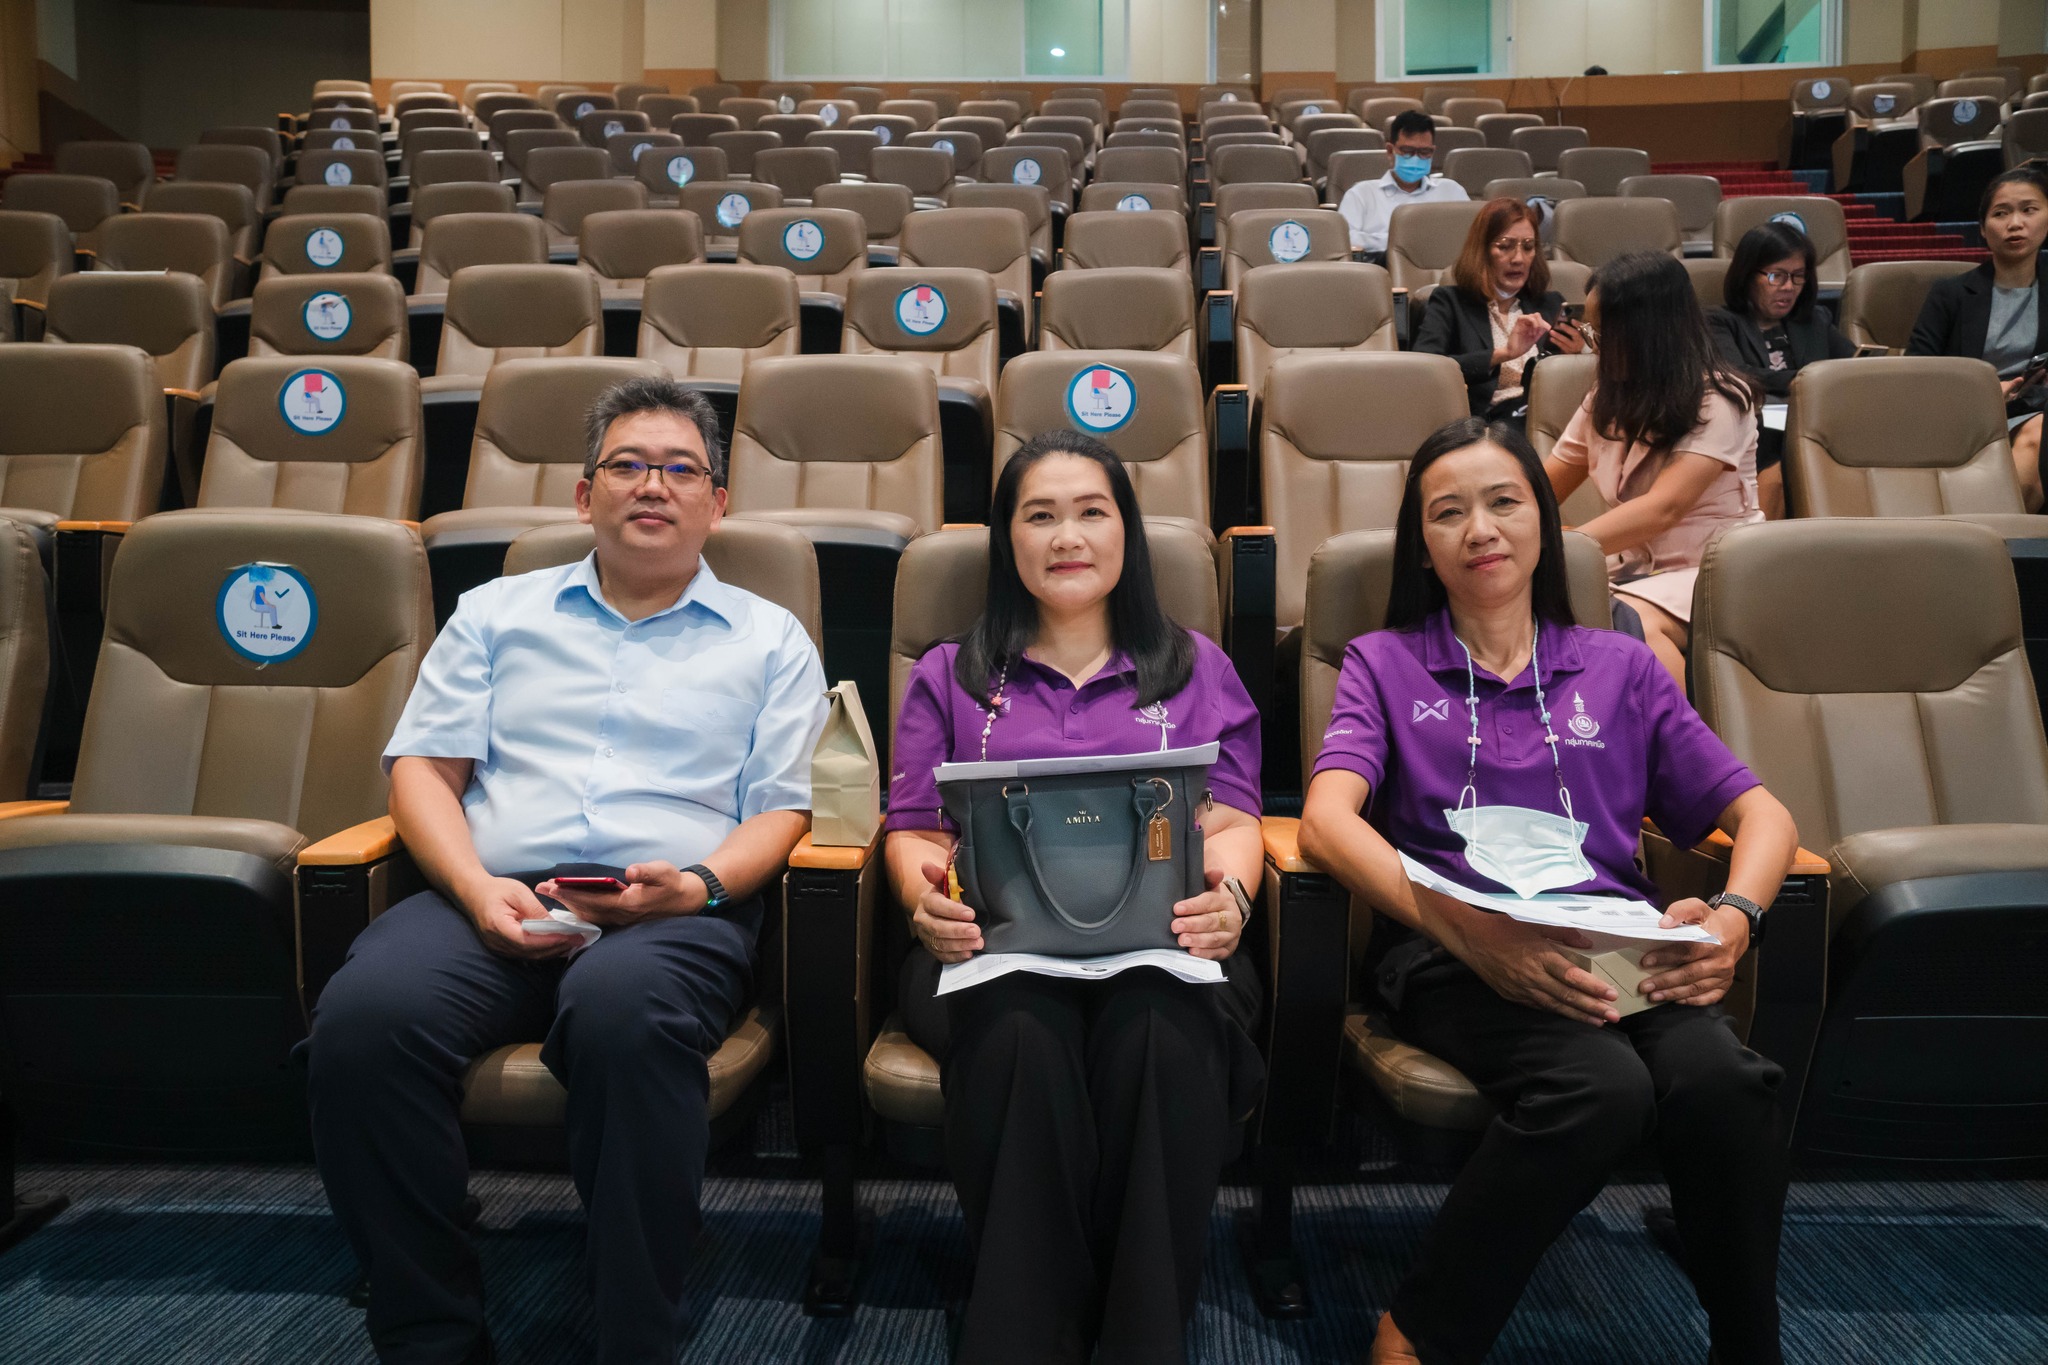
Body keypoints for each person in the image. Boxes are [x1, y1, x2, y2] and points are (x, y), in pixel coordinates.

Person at [305, 377, 828, 1365]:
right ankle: (430, 1330)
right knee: (363, 1024)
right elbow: (421, 770)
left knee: (623, 1017)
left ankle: (636, 1336)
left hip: (672, 910)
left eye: (681, 470)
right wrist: (470, 886)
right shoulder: (497, 613)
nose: (652, 487)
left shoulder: (770, 642)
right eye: (626, 466)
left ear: (718, 504)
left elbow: (784, 811)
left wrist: (701, 887)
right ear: (583, 496)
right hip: (489, 894)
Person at [1297, 416, 1800, 1365]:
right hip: (1455, 949)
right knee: (1598, 1088)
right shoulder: (1386, 662)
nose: (1479, 529)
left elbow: (1766, 818)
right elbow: (1326, 819)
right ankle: (1420, 1331)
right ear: (1425, 544)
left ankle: (1748, 1346)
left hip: (1616, 938)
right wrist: (1468, 930)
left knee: (1726, 1082)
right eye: (1449, 513)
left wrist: (1734, 918)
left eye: (1504, 502)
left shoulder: (1620, 665)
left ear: (1543, 522)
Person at [885, 431, 1265, 1365]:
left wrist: (1237, 903)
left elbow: (1240, 818)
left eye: (1091, 512)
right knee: (1018, 1035)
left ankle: (1140, 1342)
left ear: (1127, 533)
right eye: (1039, 515)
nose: (1067, 536)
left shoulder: (1194, 666)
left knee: (1156, 1033)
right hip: (994, 951)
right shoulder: (952, 674)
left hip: (1170, 947)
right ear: (1007, 541)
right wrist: (923, 903)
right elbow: (910, 827)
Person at [1542, 251, 1761, 687]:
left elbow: (1663, 509)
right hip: (1632, 569)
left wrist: (1554, 548)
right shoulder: (1607, 395)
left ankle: (1692, 749)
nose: (1593, 345)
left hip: (1714, 569)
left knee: (1630, 620)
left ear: (1648, 333)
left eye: (1603, 333)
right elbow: (1544, 484)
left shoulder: (1718, 399)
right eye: (1592, 331)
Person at [1907, 165, 2048, 512]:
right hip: (1965, 415)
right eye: (2001, 213)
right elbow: (1914, 374)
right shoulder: (1950, 294)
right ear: (1983, 229)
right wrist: (1979, 396)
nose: (2015, 223)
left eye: (2029, 210)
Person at [1707, 220, 1856, 520]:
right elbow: (1736, 373)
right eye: (1777, 276)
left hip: (1820, 426)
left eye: (1798, 277)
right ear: (1748, 275)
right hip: (1757, 431)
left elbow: (1850, 368)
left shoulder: (1814, 320)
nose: (1788, 287)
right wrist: (1808, 381)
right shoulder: (1719, 322)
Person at [1413, 196, 1589, 427]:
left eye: (1528, 247)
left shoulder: (1551, 304)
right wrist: (1503, 353)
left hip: (1549, 419)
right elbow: (1425, 369)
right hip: (1487, 424)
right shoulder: (1450, 302)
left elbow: (1566, 383)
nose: (1518, 259)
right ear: (1482, 251)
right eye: (1505, 246)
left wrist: (1577, 355)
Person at [1338, 108, 1471, 261]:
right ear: (1390, 151)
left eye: (1424, 152)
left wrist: (1380, 240)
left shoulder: (1451, 191)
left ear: (1433, 152)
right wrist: (1408, 241)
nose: (1416, 158)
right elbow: (1345, 239)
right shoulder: (1362, 194)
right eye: (1407, 151)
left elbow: (1472, 238)